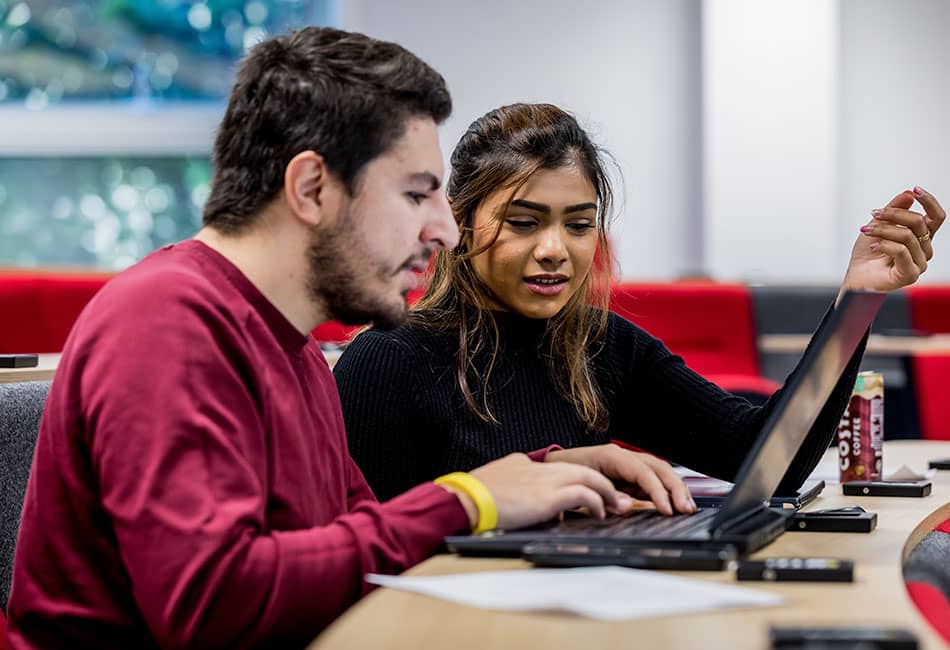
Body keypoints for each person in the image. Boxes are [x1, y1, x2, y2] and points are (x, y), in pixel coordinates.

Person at [6, 30, 657, 649]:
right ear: (312, 189)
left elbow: (363, 548)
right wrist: (469, 499)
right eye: (415, 195)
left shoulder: (294, 348)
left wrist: (531, 480)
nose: (447, 231)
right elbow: (213, 606)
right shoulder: (167, 322)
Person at [334, 102, 945, 503]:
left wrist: (858, 300)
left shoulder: (599, 345)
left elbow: (768, 459)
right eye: (523, 222)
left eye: (579, 225)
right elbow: (372, 551)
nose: (555, 250)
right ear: (460, 225)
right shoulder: (390, 359)